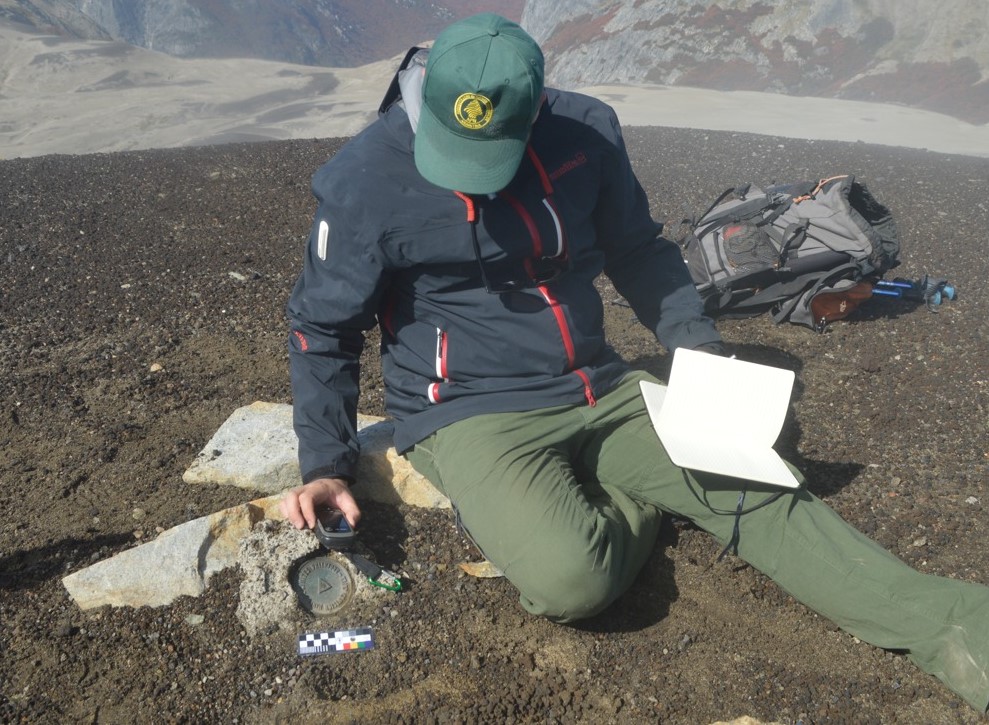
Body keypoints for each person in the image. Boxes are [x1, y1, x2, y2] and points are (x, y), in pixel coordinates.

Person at [280, 13, 988, 713]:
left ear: (535, 111)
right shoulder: (361, 180)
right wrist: (326, 463)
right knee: (569, 583)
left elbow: (638, 250)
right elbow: (321, 326)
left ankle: (954, 628)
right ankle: (646, 498)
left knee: (757, 486)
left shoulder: (584, 134)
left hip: (599, 381)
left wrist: (699, 355)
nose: (475, 178)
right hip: (467, 408)